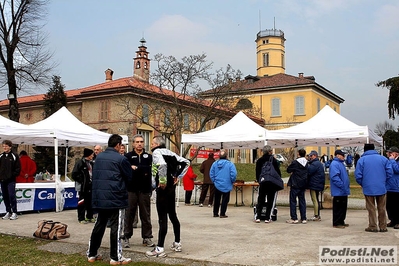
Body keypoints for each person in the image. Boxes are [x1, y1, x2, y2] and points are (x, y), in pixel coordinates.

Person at [87, 134, 133, 264]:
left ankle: (92, 253)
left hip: (100, 197)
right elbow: (129, 177)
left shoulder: (98, 157)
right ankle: (115, 257)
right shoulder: (121, 159)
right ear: (118, 145)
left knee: (99, 225)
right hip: (116, 198)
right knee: (116, 228)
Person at [146, 136, 190, 258]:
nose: (151, 145)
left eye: (153, 143)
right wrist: (177, 175)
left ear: (157, 144)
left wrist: (162, 181)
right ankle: (177, 243)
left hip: (163, 188)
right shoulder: (171, 153)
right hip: (172, 188)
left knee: (162, 218)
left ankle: (159, 248)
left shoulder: (156, 152)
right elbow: (187, 162)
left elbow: (162, 164)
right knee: (173, 215)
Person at [122, 134, 155, 248]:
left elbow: (152, 171)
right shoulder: (128, 157)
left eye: (141, 141)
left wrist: (138, 169)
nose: (139, 144)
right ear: (133, 144)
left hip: (145, 190)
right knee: (129, 214)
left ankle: (147, 237)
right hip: (131, 190)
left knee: (145, 215)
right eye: (137, 142)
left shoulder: (148, 157)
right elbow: (124, 172)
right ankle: (126, 236)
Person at [355, 143, 392, 233]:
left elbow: (358, 175)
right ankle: (383, 226)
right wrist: (384, 182)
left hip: (368, 188)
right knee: (382, 208)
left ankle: (373, 226)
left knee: (371, 208)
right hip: (381, 187)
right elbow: (389, 173)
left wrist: (363, 183)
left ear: (365, 150)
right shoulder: (383, 159)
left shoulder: (362, 160)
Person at [254, 145, 281, 223]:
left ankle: (258, 216)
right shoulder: (273, 160)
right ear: (270, 151)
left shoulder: (259, 160)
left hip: (262, 182)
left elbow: (257, 172)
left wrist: (259, 180)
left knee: (261, 199)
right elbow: (278, 172)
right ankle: (267, 217)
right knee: (270, 200)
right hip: (271, 183)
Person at [210, 150, 237, 219]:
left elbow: (211, 174)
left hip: (217, 184)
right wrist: (232, 181)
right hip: (227, 184)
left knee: (216, 199)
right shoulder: (230, 164)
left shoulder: (215, 164)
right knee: (225, 200)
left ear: (219, 156)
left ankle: (215, 213)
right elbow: (233, 174)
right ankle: (222, 213)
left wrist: (214, 181)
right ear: (226, 156)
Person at [72, 148, 95, 224]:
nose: (93, 156)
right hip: (83, 186)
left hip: (90, 185)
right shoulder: (80, 163)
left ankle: (90, 216)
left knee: (90, 201)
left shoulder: (91, 163)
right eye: (92, 154)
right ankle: (81, 218)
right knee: (82, 202)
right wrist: (82, 181)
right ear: (88, 155)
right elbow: (74, 174)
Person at [329, 149, 350, 229]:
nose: (343, 156)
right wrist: (342, 185)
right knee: (338, 207)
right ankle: (337, 222)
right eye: (342, 155)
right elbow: (334, 177)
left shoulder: (341, 163)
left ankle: (341, 221)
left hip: (343, 190)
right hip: (339, 190)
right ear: (337, 155)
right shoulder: (335, 164)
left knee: (343, 207)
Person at [286, 148, 308, 224]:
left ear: (298, 154)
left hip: (295, 183)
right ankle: (303, 218)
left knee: (293, 201)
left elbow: (288, 169)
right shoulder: (307, 163)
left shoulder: (295, 162)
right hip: (303, 184)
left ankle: (294, 217)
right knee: (302, 201)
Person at [0, 140, 21, 220]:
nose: (4, 147)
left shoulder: (14, 156)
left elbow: (18, 168)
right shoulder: (1, 156)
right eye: (3, 146)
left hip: (11, 180)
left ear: (10, 147)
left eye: (6, 146)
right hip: (2, 180)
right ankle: (8, 211)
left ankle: (14, 212)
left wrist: (12, 176)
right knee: (5, 196)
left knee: (11, 196)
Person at [307, 150, 325, 221]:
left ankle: (316, 215)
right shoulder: (318, 163)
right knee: (316, 199)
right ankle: (317, 214)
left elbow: (309, 171)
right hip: (318, 184)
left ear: (314, 156)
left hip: (314, 184)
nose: (310, 157)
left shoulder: (315, 164)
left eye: (311, 156)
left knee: (315, 199)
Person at [386, 146, 399, 229]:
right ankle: (392, 220)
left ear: (396, 154)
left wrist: (392, 161)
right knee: (389, 205)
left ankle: (398, 221)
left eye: (390, 153)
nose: (388, 154)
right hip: (388, 186)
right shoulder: (388, 161)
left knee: (397, 205)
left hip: (397, 187)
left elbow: (397, 170)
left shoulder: (394, 161)